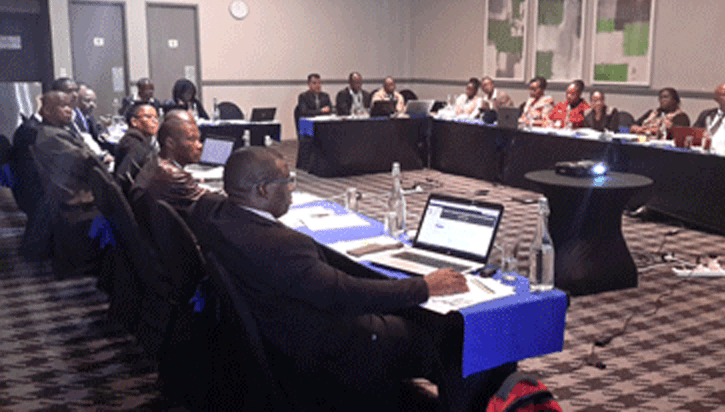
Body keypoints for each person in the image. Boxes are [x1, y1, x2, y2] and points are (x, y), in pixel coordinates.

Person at [188, 146, 511, 410]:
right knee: (444, 337)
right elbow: (342, 293)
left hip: (277, 336)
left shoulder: (215, 215)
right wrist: (425, 286)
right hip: (325, 350)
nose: (292, 188)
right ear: (262, 190)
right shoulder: (282, 245)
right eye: (287, 181)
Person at [25, 90, 105, 277]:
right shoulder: (52, 136)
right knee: (125, 204)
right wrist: (97, 155)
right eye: (63, 106)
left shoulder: (56, 132)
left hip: (67, 192)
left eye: (70, 105)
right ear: (46, 110)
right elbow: (85, 160)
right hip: (74, 198)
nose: (70, 110)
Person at [131, 110, 210, 210]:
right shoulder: (174, 175)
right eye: (191, 139)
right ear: (170, 143)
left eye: (198, 139)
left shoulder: (155, 162)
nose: (200, 145)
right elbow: (214, 201)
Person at [114, 103, 160, 181]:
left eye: (156, 117)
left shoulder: (142, 141)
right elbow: (124, 177)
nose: (154, 121)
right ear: (134, 122)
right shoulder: (134, 144)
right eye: (148, 116)